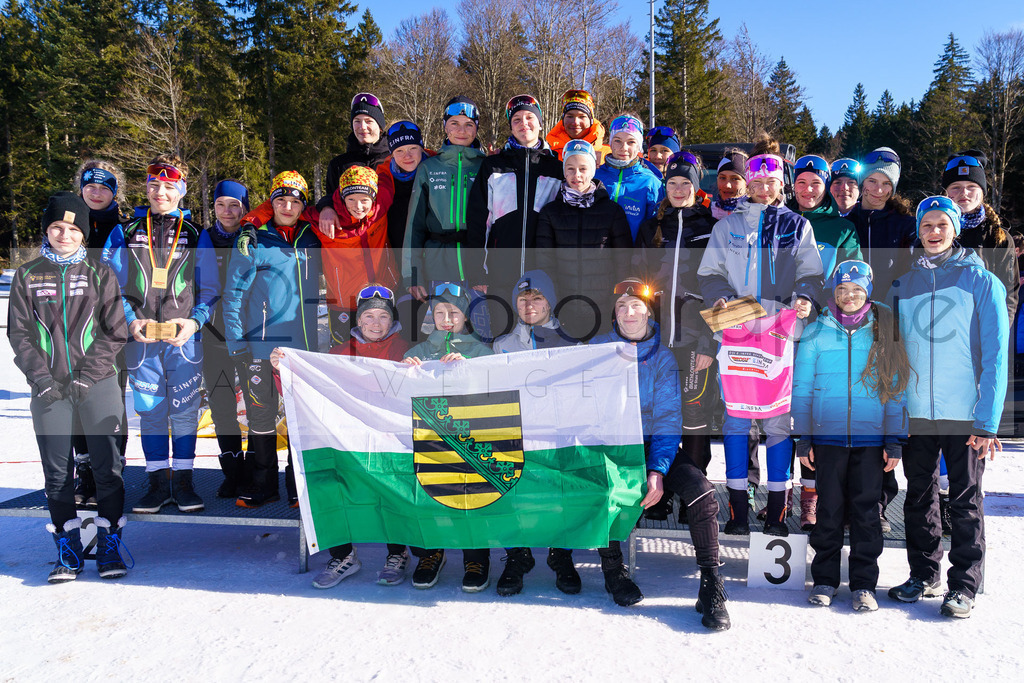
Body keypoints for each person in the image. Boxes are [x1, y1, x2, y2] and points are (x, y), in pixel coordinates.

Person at [887, 196, 1008, 619]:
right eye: (926, 225)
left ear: (955, 229)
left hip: (965, 410)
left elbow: (995, 356)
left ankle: (964, 585)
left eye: (942, 224)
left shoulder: (982, 281)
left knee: (965, 500)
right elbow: (895, 353)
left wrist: (988, 421)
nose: (933, 232)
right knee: (918, 497)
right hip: (918, 410)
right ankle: (923, 573)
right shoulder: (904, 284)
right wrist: (896, 408)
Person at [698, 134, 823, 535]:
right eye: (756, 182)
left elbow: (811, 273)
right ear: (747, 184)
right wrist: (719, 299)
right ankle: (736, 509)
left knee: (777, 424)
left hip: (779, 335)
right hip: (735, 330)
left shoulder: (797, 225)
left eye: (771, 182)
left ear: (781, 185)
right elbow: (710, 274)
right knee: (736, 421)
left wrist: (804, 298)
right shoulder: (729, 225)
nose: (764, 189)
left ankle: (776, 513)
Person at [589, 279, 730, 630]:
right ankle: (613, 570)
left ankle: (711, 585)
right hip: (614, 443)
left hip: (655, 443)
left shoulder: (663, 356)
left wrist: (657, 468)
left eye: (636, 305)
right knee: (607, 490)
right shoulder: (597, 350)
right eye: (621, 306)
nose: (628, 312)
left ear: (648, 313)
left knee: (702, 492)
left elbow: (669, 417)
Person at [9, 192, 130, 581]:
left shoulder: (100, 273)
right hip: (49, 390)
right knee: (57, 474)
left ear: (84, 233)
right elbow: (19, 334)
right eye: (57, 227)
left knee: (108, 468)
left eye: (73, 228)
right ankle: (68, 547)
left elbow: (115, 332)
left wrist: (87, 374)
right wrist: (42, 379)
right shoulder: (27, 275)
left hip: (97, 383)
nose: (65, 234)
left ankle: (110, 542)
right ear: (46, 230)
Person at [102, 155, 217, 514]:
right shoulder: (125, 230)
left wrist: (195, 322)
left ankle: (183, 481)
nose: (160, 192)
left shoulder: (197, 233)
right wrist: (130, 321)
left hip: (183, 339)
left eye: (169, 186)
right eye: (154, 185)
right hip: (142, 338)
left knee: (184, 410)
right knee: (150, 410)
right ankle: (156, 481)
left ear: (180, 190)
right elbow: (108, 284)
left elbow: (210, 288)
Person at [792, 260, 909, 611]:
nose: (849, 296)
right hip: (827, 440)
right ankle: (825, 579)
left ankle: (863, 584)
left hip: (871, 441)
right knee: (828, 511)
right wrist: (804, 437)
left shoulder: (883, 328)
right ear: (834, 292)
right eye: (842, 290)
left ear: (868, 291)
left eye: (857, 289)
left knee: (866, 514)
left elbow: (895, 388)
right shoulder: (816, 331)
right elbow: (802, 388)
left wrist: (893, 440)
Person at [292, 285, 412, 588]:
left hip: (391, 441)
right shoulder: (338, 354)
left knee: (391, 489)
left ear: (392, 319)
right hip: (350, 441)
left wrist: (420, 369)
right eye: (368, 315)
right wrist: (283, 368)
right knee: (331, 481)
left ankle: (397, 553)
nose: (375, 323)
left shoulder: (407, 350)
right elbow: (306, 388)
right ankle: (344, 555)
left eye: (383, 316)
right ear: (357, 320)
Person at [222, 171, 322, 508]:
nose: (288, 206)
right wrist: (237, 344)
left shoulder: (311, 237)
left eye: (295, 201)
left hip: (302, 347)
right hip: (260, 345)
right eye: (281, 200)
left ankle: (298, 485)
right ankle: (263, 483)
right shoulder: (253, 240)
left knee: (299, 418)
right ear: (272, 202)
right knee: (261, 416)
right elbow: (234, 295)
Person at [636, 151, 719, 522]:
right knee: (657, 418)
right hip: (657, 340)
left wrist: (708, 342)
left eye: (687, 184)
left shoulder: (710, 226)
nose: (680, 189)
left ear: (697, 188)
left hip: (693, 341)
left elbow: (722, 287)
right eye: (673, 183)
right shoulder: (653, 225)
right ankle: (660, 494)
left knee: (694, 419)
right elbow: (636, 278)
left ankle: (693, 495)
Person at [488, 271, 581, 596]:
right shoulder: (502, 345)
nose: (529, 303)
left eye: (537, 297)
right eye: (523, 297)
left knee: (561, 489)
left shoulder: (572, 343)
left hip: (556, 434)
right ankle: (518, 555)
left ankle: (561, 555)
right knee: (505, 481)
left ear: (551, 302)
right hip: (516, 433)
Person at [401, 283, 495, 592]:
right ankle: (431, 553)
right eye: (439, 312)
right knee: (430, 494)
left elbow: (494, 390)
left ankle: (476, 556)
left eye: (453, 312)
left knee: (472, 496)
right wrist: (404, 370)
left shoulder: (481, 350)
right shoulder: (419, 351)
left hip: (469, 440)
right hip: (430, 439)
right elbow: (397, 392)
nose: (446, 318)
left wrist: (470, 370)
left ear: (466, 316)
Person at [466, 94, 563, 329]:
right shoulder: (494, 166)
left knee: (541, 342)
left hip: (543, 274)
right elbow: (478, 222)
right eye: (517, 119)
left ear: (541, 123)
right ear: (510, 126)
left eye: (530, 117)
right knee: (502, 337)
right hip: (500, 273)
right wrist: (477, 270)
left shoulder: (556, 168)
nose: (524, 124)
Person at [403, 97, 488, 338]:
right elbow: (415, 225)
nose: (461, 130)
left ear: (477, 128)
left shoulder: (487, 166)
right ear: (445, 126)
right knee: (445, 330)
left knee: (479, 332)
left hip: (476, 261)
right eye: (454, 123)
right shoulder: (429, 167)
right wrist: (413, 273)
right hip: (437, 261)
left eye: (468, 124)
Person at [70, 160, 129, 509]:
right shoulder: (66, 225)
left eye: (104, 187)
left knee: (111, 401)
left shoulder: (123, 228)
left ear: (113, 192)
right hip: (72, 326)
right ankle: (86, 473)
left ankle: (112, 469)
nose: (96, 191)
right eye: (90, 186)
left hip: (110, 326)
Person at [535, 139, 633, 341]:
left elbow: (623, 261)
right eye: (570, 169)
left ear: (593, 170)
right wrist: (554, 301)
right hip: (564, 307)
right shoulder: (551, 212)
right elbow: (545, 262)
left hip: (603, 308)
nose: (576, 175)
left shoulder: (612, 211)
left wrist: (616, 301)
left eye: (582, 168)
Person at [201, 180, 251, 498]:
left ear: (244, 207)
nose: (227, 211)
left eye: (234, 205)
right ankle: (232, 470)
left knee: (259, 404)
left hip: (248, 336)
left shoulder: (254, 237)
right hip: (212, 336)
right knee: (221, 404)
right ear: (214, 207)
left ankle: (258, 471)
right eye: (221, 205)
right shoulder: (202, 238)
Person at [942, 152, 1018, 326]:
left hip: (981, 333)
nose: (964, 193)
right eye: (956, 186)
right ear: (946, 192)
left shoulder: (999, 239)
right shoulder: (932, 232)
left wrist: (995, 338)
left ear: (983, 191)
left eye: (971, 186)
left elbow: (1009, 297)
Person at [845, 147, 915, 300]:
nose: (879, 189)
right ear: (862, 183)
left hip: (892, 312)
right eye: (872, 181)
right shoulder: (846, 224)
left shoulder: (907, 226)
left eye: (886, 183)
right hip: (852, 312)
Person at [319, 93, 391, 236]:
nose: (362, 127)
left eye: (369, 121)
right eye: (357, 121)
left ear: (380, 125)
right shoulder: (339, 164)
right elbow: (332, 196)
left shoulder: (394, 159)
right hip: (354, 241)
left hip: (390, 236)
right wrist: (326, 207)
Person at [788, 155, 863, 278]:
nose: (808, 189)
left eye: (816, 183)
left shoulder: (843, 230)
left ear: (825, 188)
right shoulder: (779, 220)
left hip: (822, 296)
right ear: (794, 186)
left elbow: (853, 276)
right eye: (801, 182)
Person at [594, 114, 664, 242]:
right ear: (610, 143)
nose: (624, 148)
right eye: (617, 141)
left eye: (631, 142)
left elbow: (655, 230)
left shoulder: (650, 182)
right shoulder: (595, 175)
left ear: (638, 145)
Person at [492, 270, 574, 353]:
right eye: (523, 300)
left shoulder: (573, 348)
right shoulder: (501, 346)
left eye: (537, 298)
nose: (529, 306)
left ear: (549, 304)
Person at [545, 89, 609, 163]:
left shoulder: (609, 157)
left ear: (591, 120)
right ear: (563, 119)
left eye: (582, 117)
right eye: (570, 116)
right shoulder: (549, 157)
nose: (575, 122)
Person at [710, 149, 749, 220]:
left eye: (735, 179)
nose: (727, 185)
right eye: (722, 178)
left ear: (747, 183)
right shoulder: (705, 213)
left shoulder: (756, 214)